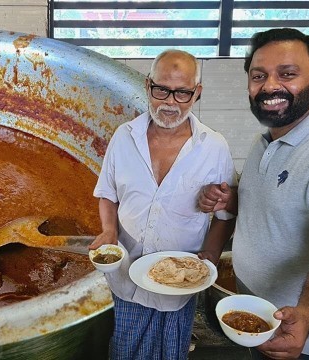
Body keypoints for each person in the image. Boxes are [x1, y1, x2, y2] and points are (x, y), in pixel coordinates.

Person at [199, 28, 309, 359]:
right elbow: (275, 203)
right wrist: (231, 200)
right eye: (259, 75)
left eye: (288, 74)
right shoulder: (265, 140)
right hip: (260, 317)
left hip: (307, 337)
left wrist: (307, 316)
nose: (269, 86)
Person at [90, 49, 237, 359]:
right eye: (162, 90)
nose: (171, 102)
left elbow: (226, 215)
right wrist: (108, 231)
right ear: (148, 86)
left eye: (182, 93)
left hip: (180, 284)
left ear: (197, 93)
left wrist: (209, 255)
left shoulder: (214, 147)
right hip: (127, 275)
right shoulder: (123, 137)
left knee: (171, 352)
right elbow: (108, 193)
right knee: (124, 350)